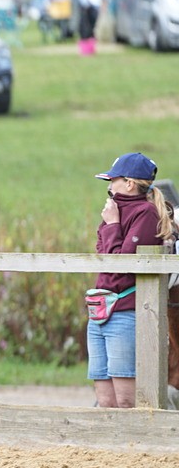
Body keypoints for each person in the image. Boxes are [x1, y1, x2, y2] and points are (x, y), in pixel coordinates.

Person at [88, 152, 169, 408]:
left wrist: (112, 224)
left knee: (125, 399)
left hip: (124, 311)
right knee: (105, 398)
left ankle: (134, 446)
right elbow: (104, 254)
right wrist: (111, 225)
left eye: (113, 181)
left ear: (129, 184)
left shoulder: (144, 214)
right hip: (102, 309)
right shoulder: (115, 212)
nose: (110, 187)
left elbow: (122, 266)